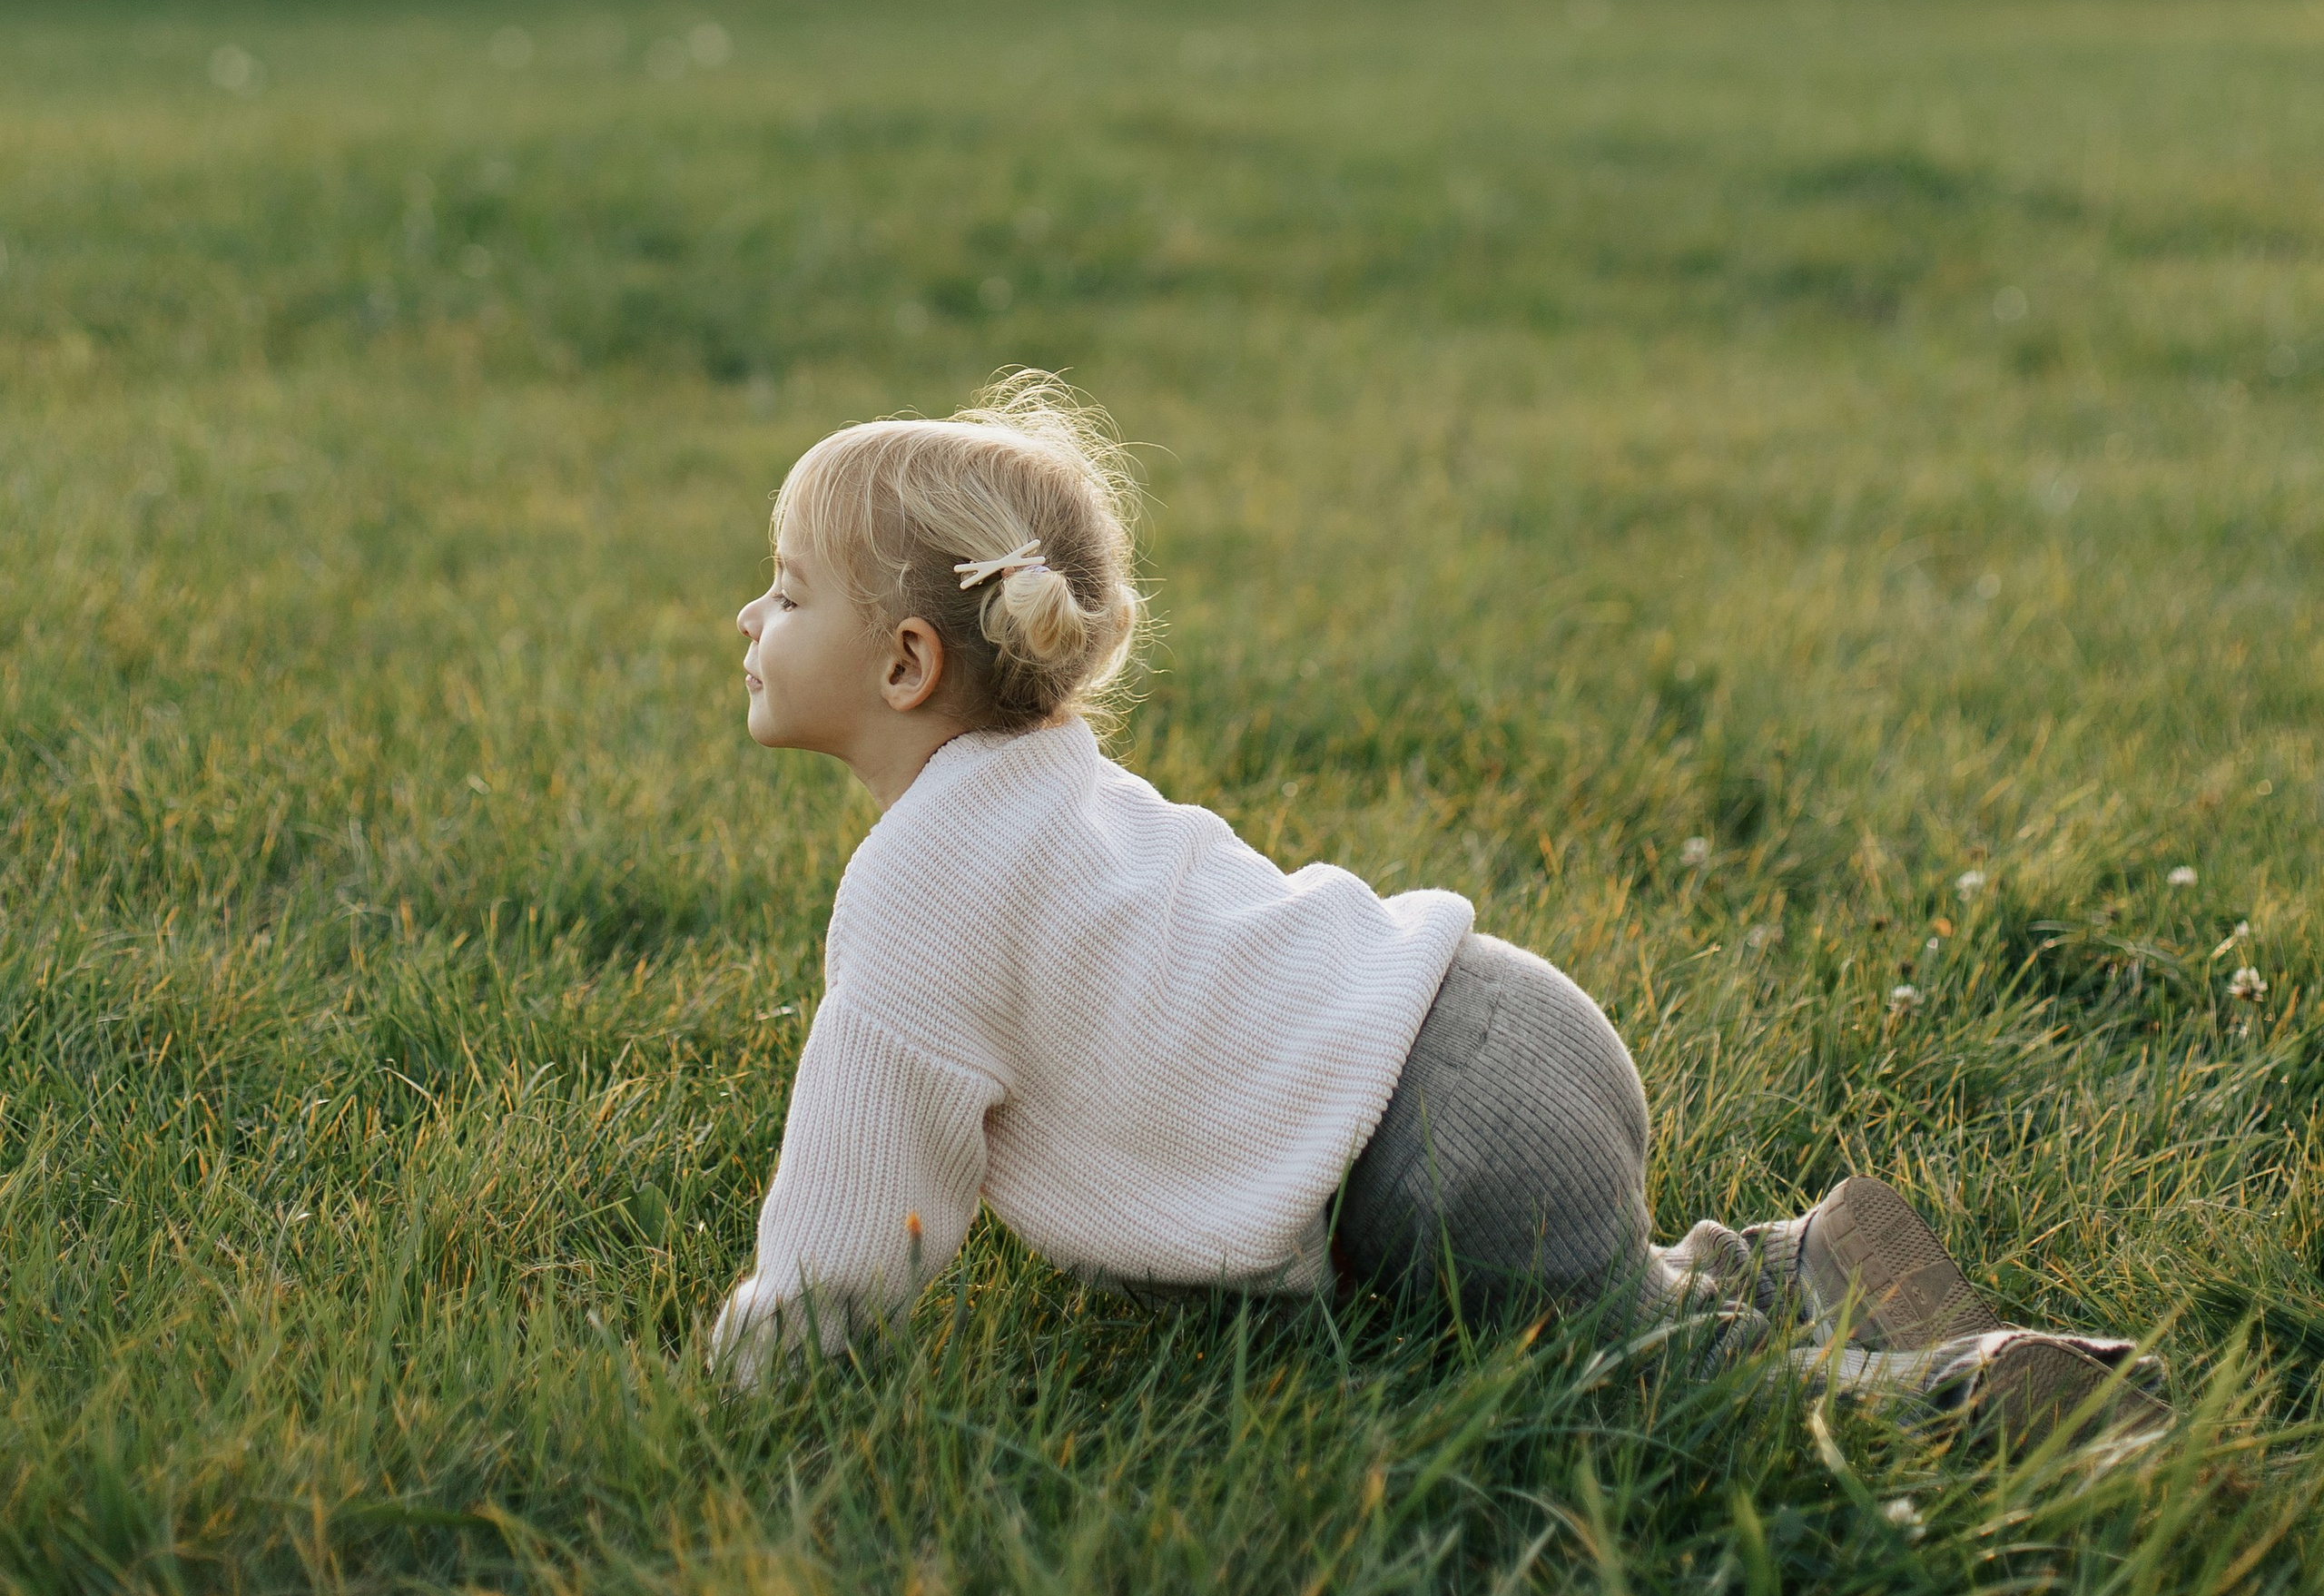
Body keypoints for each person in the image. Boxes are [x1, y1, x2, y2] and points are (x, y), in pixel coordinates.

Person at [710, 376, 2162, 1445]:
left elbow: (861, 1187)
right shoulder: (1051, 780)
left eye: (784, 593)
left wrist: (775, 1361)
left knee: (1630, 1386)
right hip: (1493, 1015)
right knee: (1617, 1291)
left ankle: (1952, 1401)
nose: (748, 623)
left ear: (906, 661)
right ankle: (1800, 1260)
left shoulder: (921, 881)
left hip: (1437, 1146)